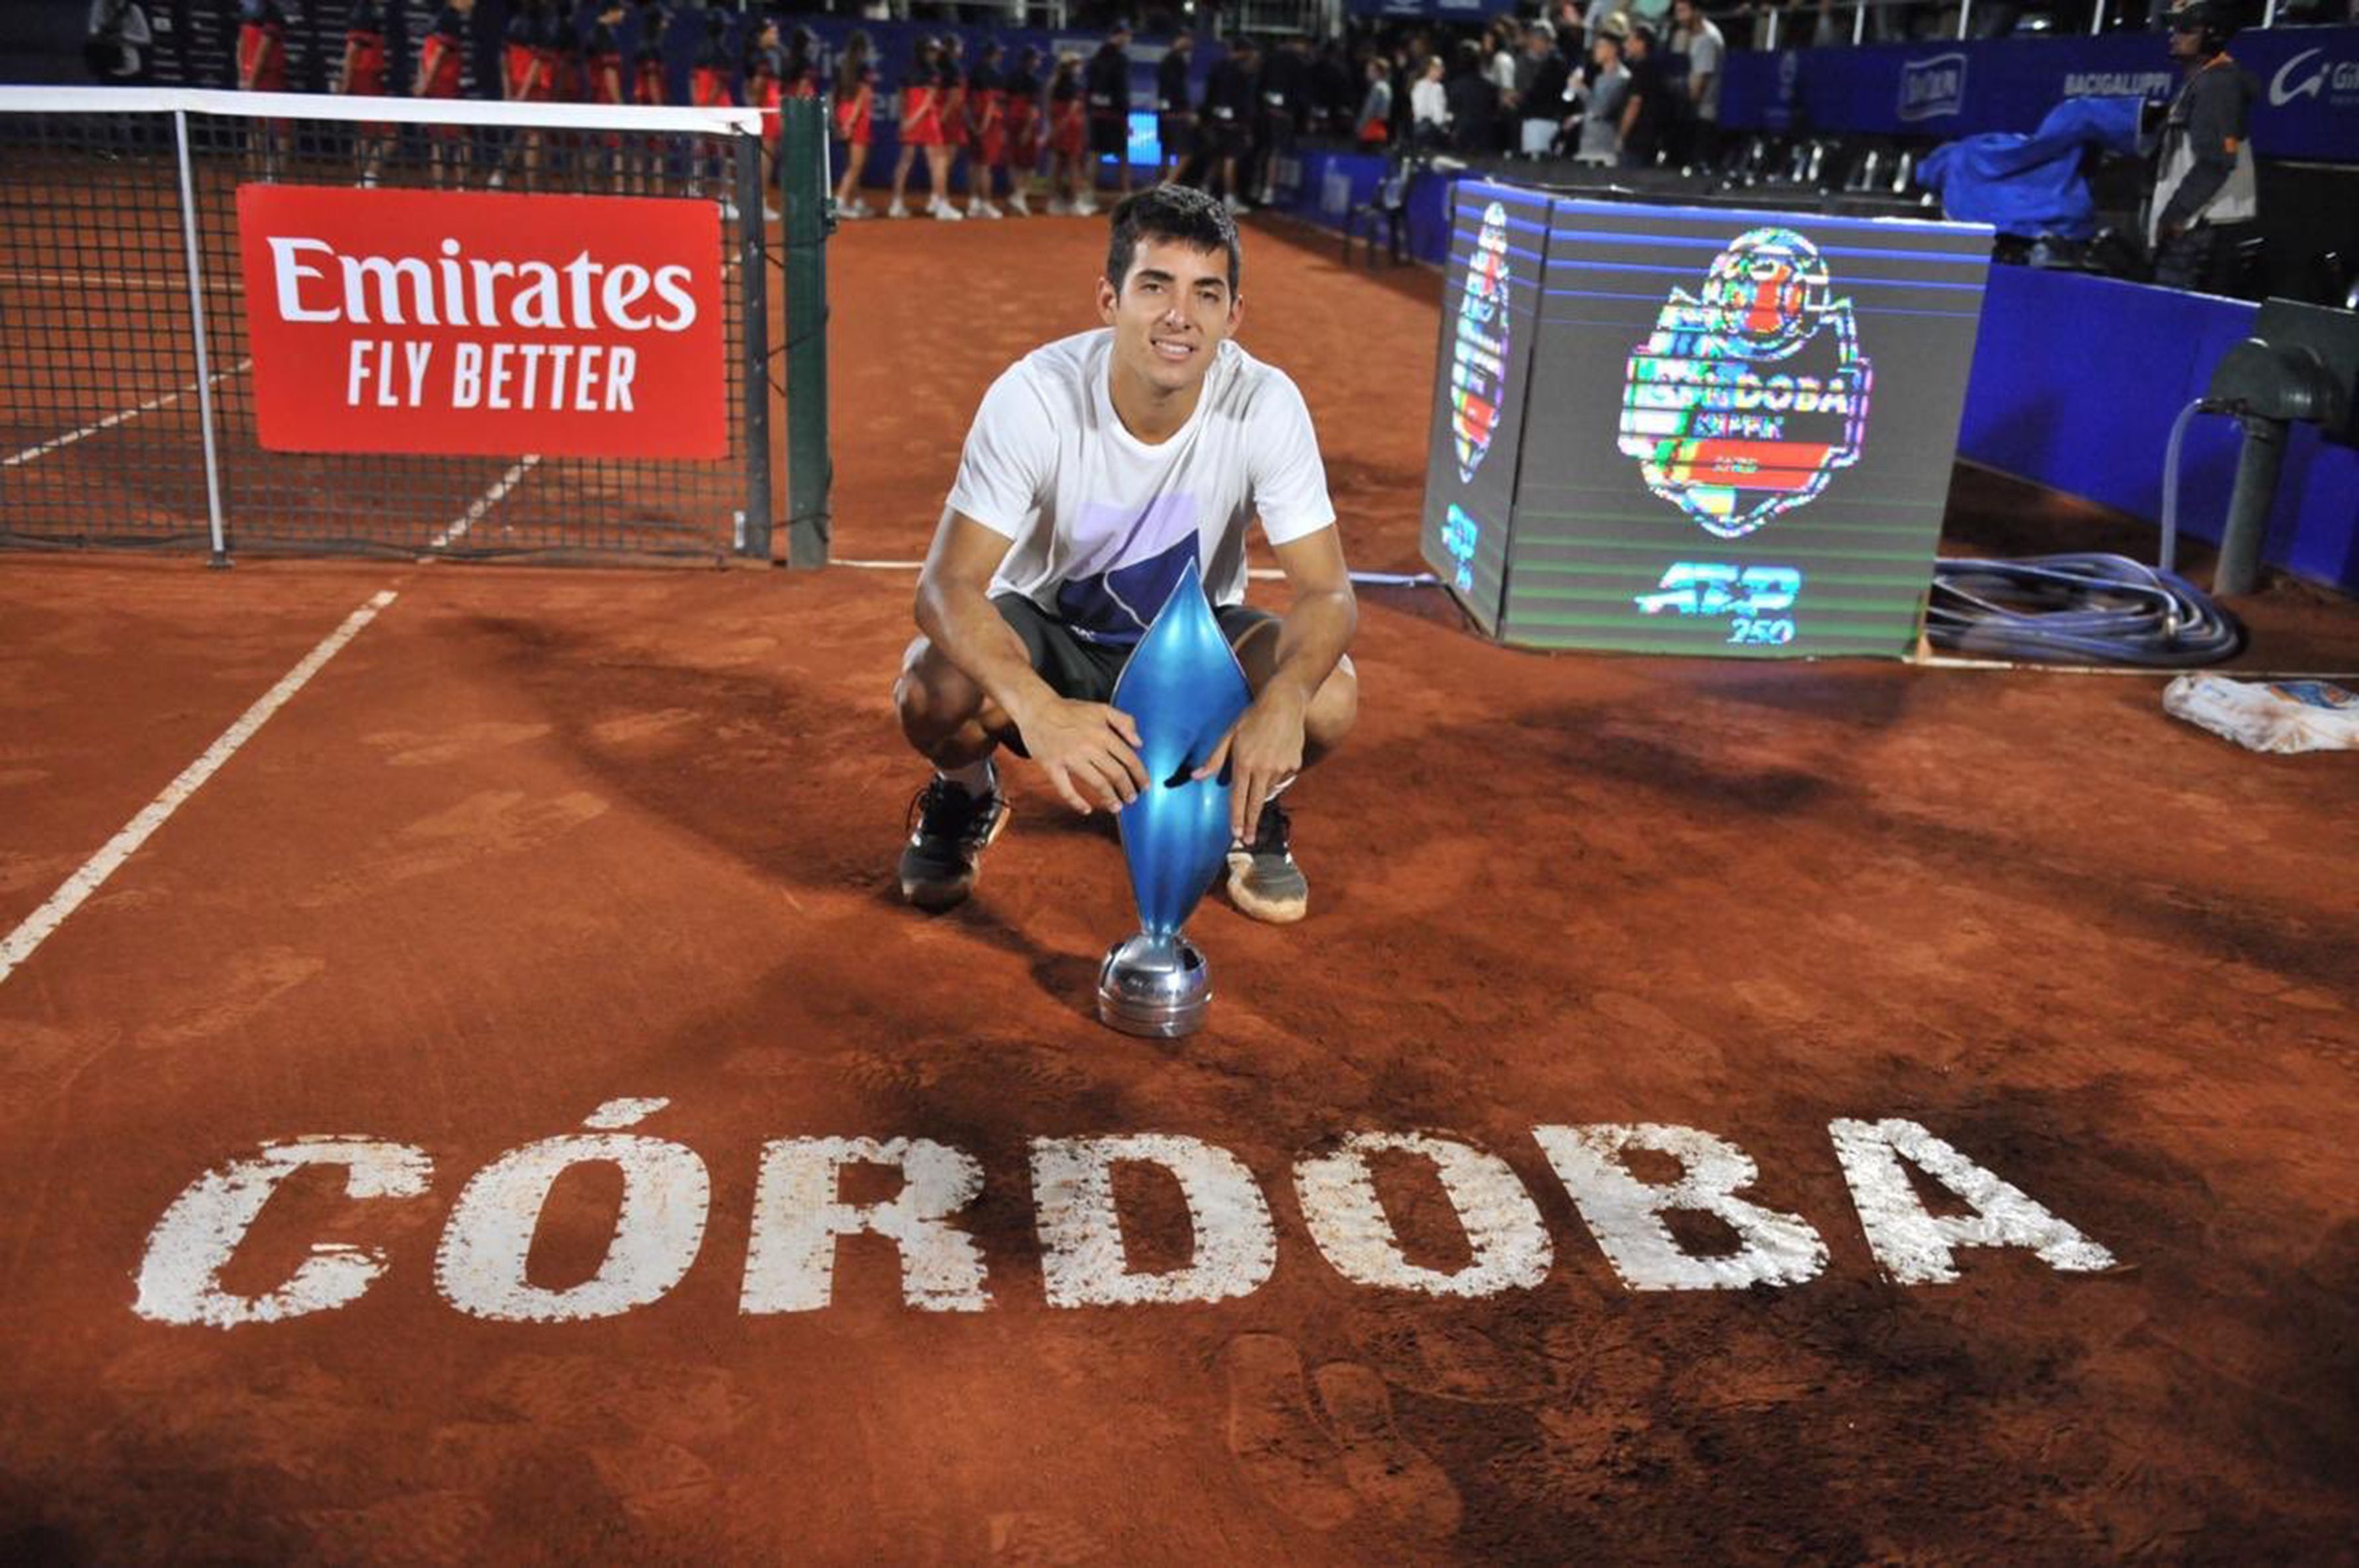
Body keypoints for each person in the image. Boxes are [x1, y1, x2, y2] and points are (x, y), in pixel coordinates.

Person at [893, 186, 1359, 925]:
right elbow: (945, 587)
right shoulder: (1035, 398)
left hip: (1191, 654)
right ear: (1109, 300)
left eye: (1206, 294)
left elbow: (1327, 594)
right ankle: (968, 793)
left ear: (1232, 316)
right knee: (932, 688)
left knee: (1328, 698)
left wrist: (1286, 698)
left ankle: (1246, 814)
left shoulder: (1264, 403)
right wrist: (1039, 709)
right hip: (1051, 638)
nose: (1180, 316)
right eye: (1154, 286)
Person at [2147, 1, 2259, 293]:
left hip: (2199, 228)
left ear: (2213, 35)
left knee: (2175, 317)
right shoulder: (2203, 81)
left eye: (2185, 29)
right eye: (2174, 26)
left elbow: (2216, 161)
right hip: (2195, 225)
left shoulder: (2218, 85)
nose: (2174, 34)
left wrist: (2176, 213)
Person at [889, 35, 959, 221]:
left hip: (911, 120)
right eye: (933, 51)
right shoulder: (934, 72)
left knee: (905, 161)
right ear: (925, 52)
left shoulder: (908, 70)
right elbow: (928, 102)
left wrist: (905, 119)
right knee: (939, 162)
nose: (936, 55)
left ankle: (896, 204)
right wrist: (912, 120)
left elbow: (903, 98)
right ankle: (942, 205)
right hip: (926, 120)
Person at [415, 0, 474, 188]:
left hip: (436, 87)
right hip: (445, 88)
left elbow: (424, 54)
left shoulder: (439, 17)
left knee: (438, 138)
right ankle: (461, 187)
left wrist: (422, 83)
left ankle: (440, 188)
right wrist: (426, 83)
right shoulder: (451, 20)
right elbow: (440, 53)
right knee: (463, 138)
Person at [1203, 35, 1258, 213]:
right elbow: (1244, 101)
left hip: (1216, 121)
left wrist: (1209, 118)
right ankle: (1229, 198)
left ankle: (1203, 193)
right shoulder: (1241, 73)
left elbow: (1209, 95)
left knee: (1218, 158)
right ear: (1243, 52)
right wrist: (1246, 125)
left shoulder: (1217, 68)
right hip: (1234, 123)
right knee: (1230, 160)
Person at [236, 0, 289, 181]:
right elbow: (263, 51)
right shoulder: (272, 13)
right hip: (267, 80)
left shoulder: (249, 11)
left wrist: (244, 76)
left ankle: (259, 181)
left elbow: (240, 46)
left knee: (256, 131)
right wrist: (252, 82)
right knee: (281, 133)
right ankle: (273, 182)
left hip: (252, 78)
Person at [1666, 0, 1723, 170]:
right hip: (1684, 110)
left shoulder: (1708, 39)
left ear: (1696, 12)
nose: (1679, 17)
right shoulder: (1682, 35)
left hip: (1703, 113)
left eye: (1683, 11)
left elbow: (1697, 88)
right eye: (1677, 12)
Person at [1086, 20, 1136, 202]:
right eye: (1128, 35)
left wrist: (1091, 108)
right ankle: (1126, 195)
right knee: (1123, 155)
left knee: (1095, 154)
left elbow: (1089, 89)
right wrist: (1126, 117)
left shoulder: (1096, 57)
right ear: (1119, 35)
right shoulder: (1121, 60)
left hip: (1097, 114)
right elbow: (1122, 91)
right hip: (1115, 115)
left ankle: (1088, 194)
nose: (1130, 38)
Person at [833, 29, 878, 218]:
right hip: (856, 116)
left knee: (853, 163)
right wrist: (851, 121)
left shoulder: (842, 64)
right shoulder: (864, 66)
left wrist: (840, 119)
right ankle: (839, 202)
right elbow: (863, 95)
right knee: (856, 165)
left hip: (843, 110)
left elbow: (837, 94)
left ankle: (857, 202)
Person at [1572, 23, 1629, 166]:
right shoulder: (1599, 78)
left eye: (1600, 46)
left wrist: (1581, 89)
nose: (1595, 51)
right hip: (1589, 145)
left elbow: (1601, 109)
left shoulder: (1621, 78)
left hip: (1605, 148)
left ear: (1613, 50)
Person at [967, 38, 1009, 218]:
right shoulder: (995, 75)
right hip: (988, 125)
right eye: (999, 53)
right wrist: (983, 126)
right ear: (994, 55)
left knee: (975, 163)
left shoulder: (974, 72)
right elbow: (991, 103)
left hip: (974, 123)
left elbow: (966, 103)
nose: (1001, 56)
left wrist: (972, 125)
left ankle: (973, 202)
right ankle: (985, 204)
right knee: (985, 166)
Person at [1619, 22, 1666, 169]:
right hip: (1650, 139)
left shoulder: (1643, 69)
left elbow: (1635, 103)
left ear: (1641, 44)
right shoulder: (1654, 67)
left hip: (1638, 140)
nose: (1626, 45)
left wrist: (1621, 135)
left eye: (1630, 40)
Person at [1516, 21, 1568, 159]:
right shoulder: (1531, 60)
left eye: (1535, 40)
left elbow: (1540, 92)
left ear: (1544, 41)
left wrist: (1523, 99)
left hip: (1542, 122)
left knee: (1536, 164)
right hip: (1539, 119)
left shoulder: (1555, 63)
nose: (1532, 44)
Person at [1003, 44, 1043, 216]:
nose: (1039, 62)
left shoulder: (1010, 77)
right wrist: (1028, 129)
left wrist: (1005, 126)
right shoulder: (1034, 81)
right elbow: (1032, 109)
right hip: (1026, 123)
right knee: (1029, 165)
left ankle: (1017, 197)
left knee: (1014, 162)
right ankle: (1019, 196)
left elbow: (1004, 105)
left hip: (1011, 122)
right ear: (1031, 61)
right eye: (1037, 58)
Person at [1048, 50, 1088, 214]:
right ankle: (1075, 203)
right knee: (1073, 165)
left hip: (1059, 127)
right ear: (1071, 66)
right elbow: (1072, 111)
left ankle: (1055, 202)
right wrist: (1061, 128)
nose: (1081, 67)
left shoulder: (1055, 83)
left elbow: (1051, 110)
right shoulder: (1073, 84)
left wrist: (1054, 129)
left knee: (1058, 164)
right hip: (1070, 129)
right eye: (1078, 63)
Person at [1156, 31, 1197, 187]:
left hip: (1165, 113)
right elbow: (1176, 89)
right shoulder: (1175, 61)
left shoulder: (1168, 60)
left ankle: (1161, 184)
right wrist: (1186, 111)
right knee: (1185, 153)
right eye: (1187, 39)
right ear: (1178, 40)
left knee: (1166, 152)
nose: (1190, 43)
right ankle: (1166, 185)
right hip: (1176, 114)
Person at [1410, 52, 1449, 151]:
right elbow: (1422, 111)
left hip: (1437, 133)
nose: (1443, 70)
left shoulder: (1438, 87)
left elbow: (1440, 110)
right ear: (1430, 69)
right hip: (1426, 133)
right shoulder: (1421, 86)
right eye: (1439, 68)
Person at [1356, 54, 1393, 148]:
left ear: (1378, 73)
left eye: (1370, 70)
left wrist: (1360, 126)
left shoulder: (1378, 88)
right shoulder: (1386, 87)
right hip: (1379, 130)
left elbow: (1369, 110)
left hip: (1371, 130)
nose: (1367, 73)